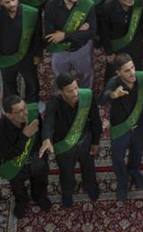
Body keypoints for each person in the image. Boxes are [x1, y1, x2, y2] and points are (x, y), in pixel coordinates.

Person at [41, 70, 102, 208]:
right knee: (66, 172)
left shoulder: (87, 97)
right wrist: (46, 139)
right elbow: (48, 123)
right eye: (70, 91)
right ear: (60, 92)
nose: (75, 93)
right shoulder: (53, 104)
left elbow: (95, 120)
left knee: (89, 167)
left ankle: (90, 186)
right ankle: (68, 192)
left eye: (76, 87)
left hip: (85, 142)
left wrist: (95, 141)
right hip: (65, 147)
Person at [99, 54, 143, 201]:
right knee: (118, 157)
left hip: (139, 125)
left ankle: (134, 171)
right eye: (127, 70)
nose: (132, 72)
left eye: (133, 67)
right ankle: (122, 180)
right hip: (120, 128)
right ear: (118, 72)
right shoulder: (114, 82)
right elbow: (103, 98)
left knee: (137, 151)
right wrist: (113, 95)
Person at [0, 95, 50, 219]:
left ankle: (39, 196)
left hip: (35, 158)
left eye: (25, 108)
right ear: (9, 115)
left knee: (41, 180)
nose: (26, 113)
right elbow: (6, 154)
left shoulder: (33, 115)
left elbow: (43, 133)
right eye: (20, 111)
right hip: (16, 164)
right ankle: (22, 202)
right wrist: (24, 136)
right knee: (17, 188)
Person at [0, 0, 41, 104]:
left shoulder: (31, 12)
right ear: (1, 2)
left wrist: (38, 54)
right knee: (9, 84)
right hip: (6, 56)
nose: (12, 4)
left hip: (26, 55)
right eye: (7, 2)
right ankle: (14, 104)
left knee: (32, 82)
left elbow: (37, 35)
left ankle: (32, 103)